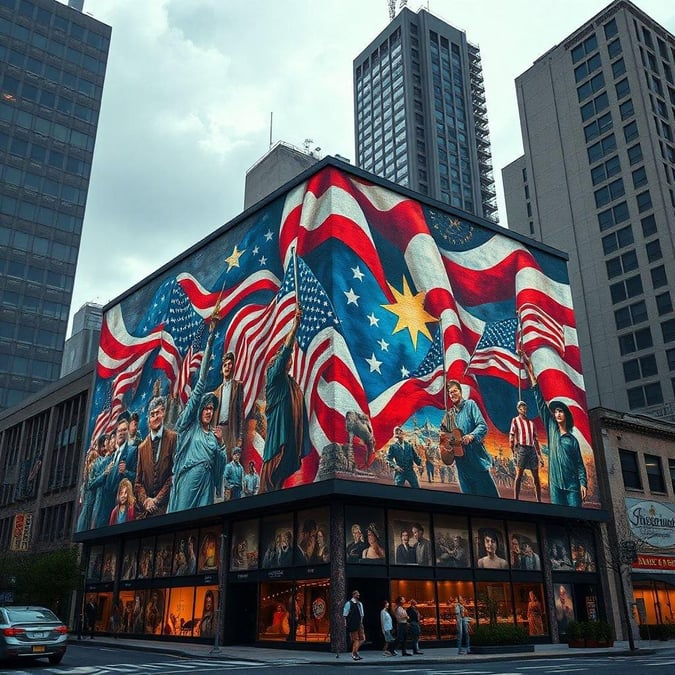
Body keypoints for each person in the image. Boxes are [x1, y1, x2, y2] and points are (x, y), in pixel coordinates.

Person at [167, 322, 227, 512]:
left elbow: (220, 465)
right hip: (188, 481)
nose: (209, 411)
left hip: (206, 485)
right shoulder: (189, 427)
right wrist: (209, 342)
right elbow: (201, 383)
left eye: (211, 409)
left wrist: (221, 445)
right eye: (206, 408)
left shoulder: (212, 435)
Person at [523, 353, 587, 507]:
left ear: (565, 415)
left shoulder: (572, 440)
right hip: (555, 486)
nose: (557, 414)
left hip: (572, 487)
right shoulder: (552, 429)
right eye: (555, 411)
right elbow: (540, 403)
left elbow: (579, 464)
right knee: (557, 521)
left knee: (575, 520)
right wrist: (532, 374)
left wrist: (583, 483)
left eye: (560, 411)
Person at [260, 307, 310, 492]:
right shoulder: (274, 377)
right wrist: (295, 326)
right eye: (284, 357)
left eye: (289, 358)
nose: (288, 359)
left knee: (280, 485)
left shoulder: (291, 383)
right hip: (276, 445)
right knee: (269, 489)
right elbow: (284, 352)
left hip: (289, 442)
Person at [441, 380, 499, 497]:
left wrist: (471, 436)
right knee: (469, 501)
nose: (452, 394)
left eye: (455, 391)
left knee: (491, 500)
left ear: (460, 392)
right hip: (461, 465)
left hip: (476, 461)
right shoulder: (449, 415)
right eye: (450, 393)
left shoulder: (470, 405)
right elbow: (443, 437)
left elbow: (482, 426)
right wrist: (446, 446)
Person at [135, 395, 177, 518]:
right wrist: (146, 501)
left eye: (158, 413)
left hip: (167, 508)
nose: (155, 418)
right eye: (152, 415)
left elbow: (174, 474)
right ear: (148, 419)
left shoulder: (173, 438)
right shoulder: (141, 448)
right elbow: (138, 483)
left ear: (163, 413)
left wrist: (157, 500)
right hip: (146, 513)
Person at [99, 411, 138, 529]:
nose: (121, 433)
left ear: (128, 432)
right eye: (119, 431)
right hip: (105, 506)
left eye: (124, 430)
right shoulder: (112, 456)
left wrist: (125, 472)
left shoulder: (132, 450)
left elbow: (137, 476)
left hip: (120, 505)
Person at [509, 400, 544, 501]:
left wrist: (540, 456)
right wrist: (513, 450)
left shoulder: (531, 423)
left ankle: (539, 500)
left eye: (525, 407)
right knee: (519, 474)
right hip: (522, 449)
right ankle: (516, 499)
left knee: (536, 476)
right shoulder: (515, 420)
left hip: (531, 450)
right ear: (518, 409)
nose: (524, 409)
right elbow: (511, 435)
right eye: (521, 407)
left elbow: (536, 440)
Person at [213, 350, 244, 459]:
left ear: (233, 367)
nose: (227, 367)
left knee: (230, 463)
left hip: (231, 430)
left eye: (230, 364)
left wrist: (240, 437)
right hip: (218, 430)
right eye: (225, 365)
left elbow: (241, 413)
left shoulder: (238, 387)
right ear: (222, 369)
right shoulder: (216, 392)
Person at [343, 590, 365, 661]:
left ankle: (354, 652)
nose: (359, 595)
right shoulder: (349, 603)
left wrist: (361, 621)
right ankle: (354, 654)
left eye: (359, 594)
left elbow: (362, 614)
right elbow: (345, 614)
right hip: (353, 623)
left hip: (359, 623)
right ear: (354, 595)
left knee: (363, 639)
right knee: (356, 639)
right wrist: (345, 623)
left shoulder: (360, 603)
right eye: (357, 594)